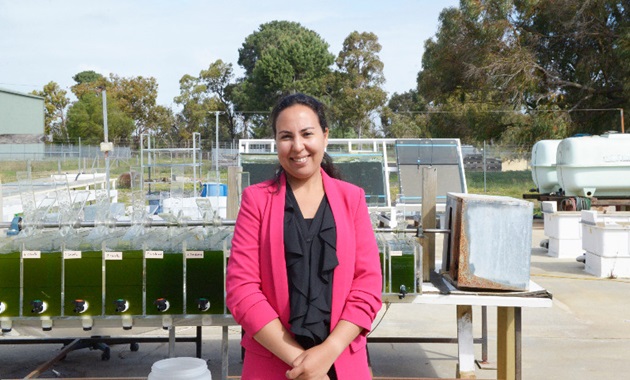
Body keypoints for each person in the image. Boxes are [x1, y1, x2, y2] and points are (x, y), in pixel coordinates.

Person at [226, 93, 383, 379]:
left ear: (325, 136)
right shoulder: (256, 201)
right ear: (276, 143)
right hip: (275, 364)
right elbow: (242, 290)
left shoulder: (352, 199)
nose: (297, 146)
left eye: (307, 134)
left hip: (341, 361)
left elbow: (368, 284)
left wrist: (329, 351)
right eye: (286, 136)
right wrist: (304, 364)